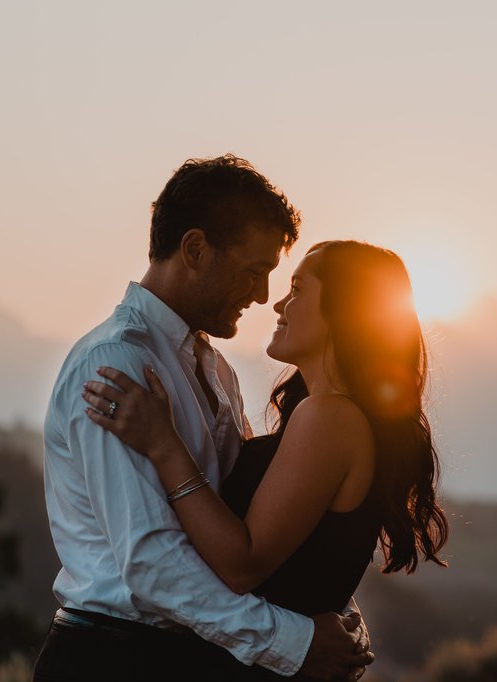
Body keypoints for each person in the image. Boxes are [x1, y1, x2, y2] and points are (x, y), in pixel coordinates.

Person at [34, 156, 373, 682]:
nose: (263, 295)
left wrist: (335, 610)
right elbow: (152, 562)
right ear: (194, 250)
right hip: (112, 659)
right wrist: (293, 641)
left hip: (194, 658)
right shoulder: (116, 365)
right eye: (254, 271)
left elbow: (256, 519)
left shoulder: (217, 372)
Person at [81, 240, 450, 680]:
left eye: (297, 290)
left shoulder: (330, 418)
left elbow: (243, 565)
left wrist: (165, 445)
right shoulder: (333, 417)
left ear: (344, 311)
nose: (277, 303)